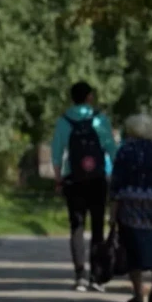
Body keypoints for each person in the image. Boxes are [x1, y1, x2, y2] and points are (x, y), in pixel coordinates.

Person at [51, 81, 117, 291]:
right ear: (89, 96)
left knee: (77, 227)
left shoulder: (64, 121)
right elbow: (111, 148)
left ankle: (80, 275)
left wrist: (58, 178)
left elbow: (56, 152)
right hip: (98, 178)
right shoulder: (100, 119)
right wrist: (116, 175)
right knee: (97, 226)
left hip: (74, 179)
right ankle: (96, 278)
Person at [109, 114, 152, 302]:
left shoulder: (125, 150)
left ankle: (138, 294)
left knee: (132, 245)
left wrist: (112, 212)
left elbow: (117, 181)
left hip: (131, 202)